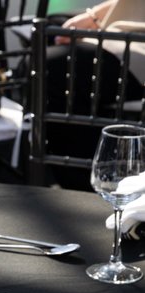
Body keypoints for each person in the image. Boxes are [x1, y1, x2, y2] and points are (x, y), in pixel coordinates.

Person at [45, 0, 145, 189]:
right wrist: (94, 17)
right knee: (48, 32)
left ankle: (86, 182)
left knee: (54, 67)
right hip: (121, 28)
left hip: (136, 41)